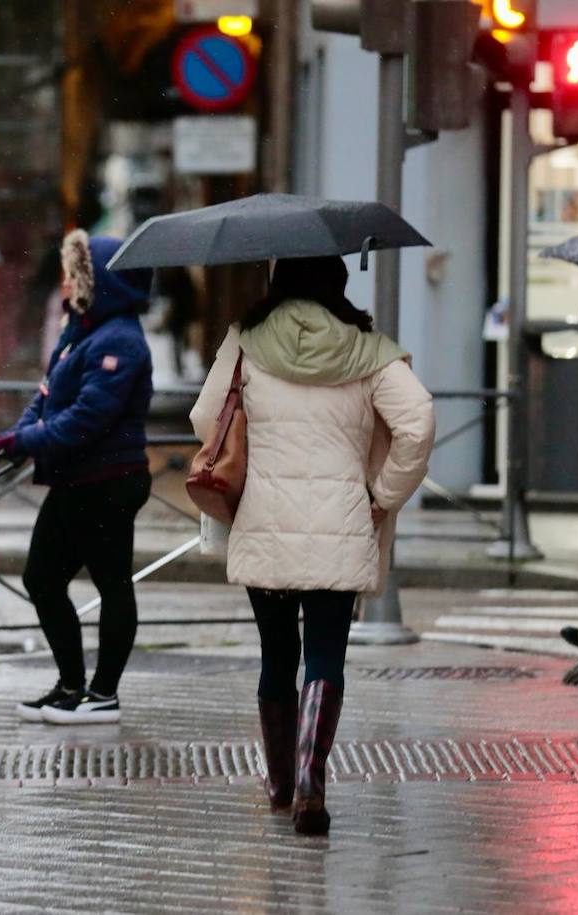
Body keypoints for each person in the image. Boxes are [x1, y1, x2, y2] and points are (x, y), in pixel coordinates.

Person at [189, 256, 435, 835]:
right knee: (325, 655)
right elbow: (417, 423)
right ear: (339, 285)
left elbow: (205, 415)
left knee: (277, 655)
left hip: (264, 522)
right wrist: (382, 494)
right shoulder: (369, 350)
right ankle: (310, 783)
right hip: (341, 524)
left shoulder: (246, 341)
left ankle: (277, 785)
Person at [0, 229, 153, 725]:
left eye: (73, 274)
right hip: (76, 480)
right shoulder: (82, 329)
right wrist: (15, 436)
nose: (63, 282)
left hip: (108, 480)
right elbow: (48, 394)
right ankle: (71, 683)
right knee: (42, 578)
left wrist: (21, 443)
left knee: (112, 582)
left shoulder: (120, 339)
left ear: (97, 281)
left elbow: (86, 419)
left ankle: (102, 694)